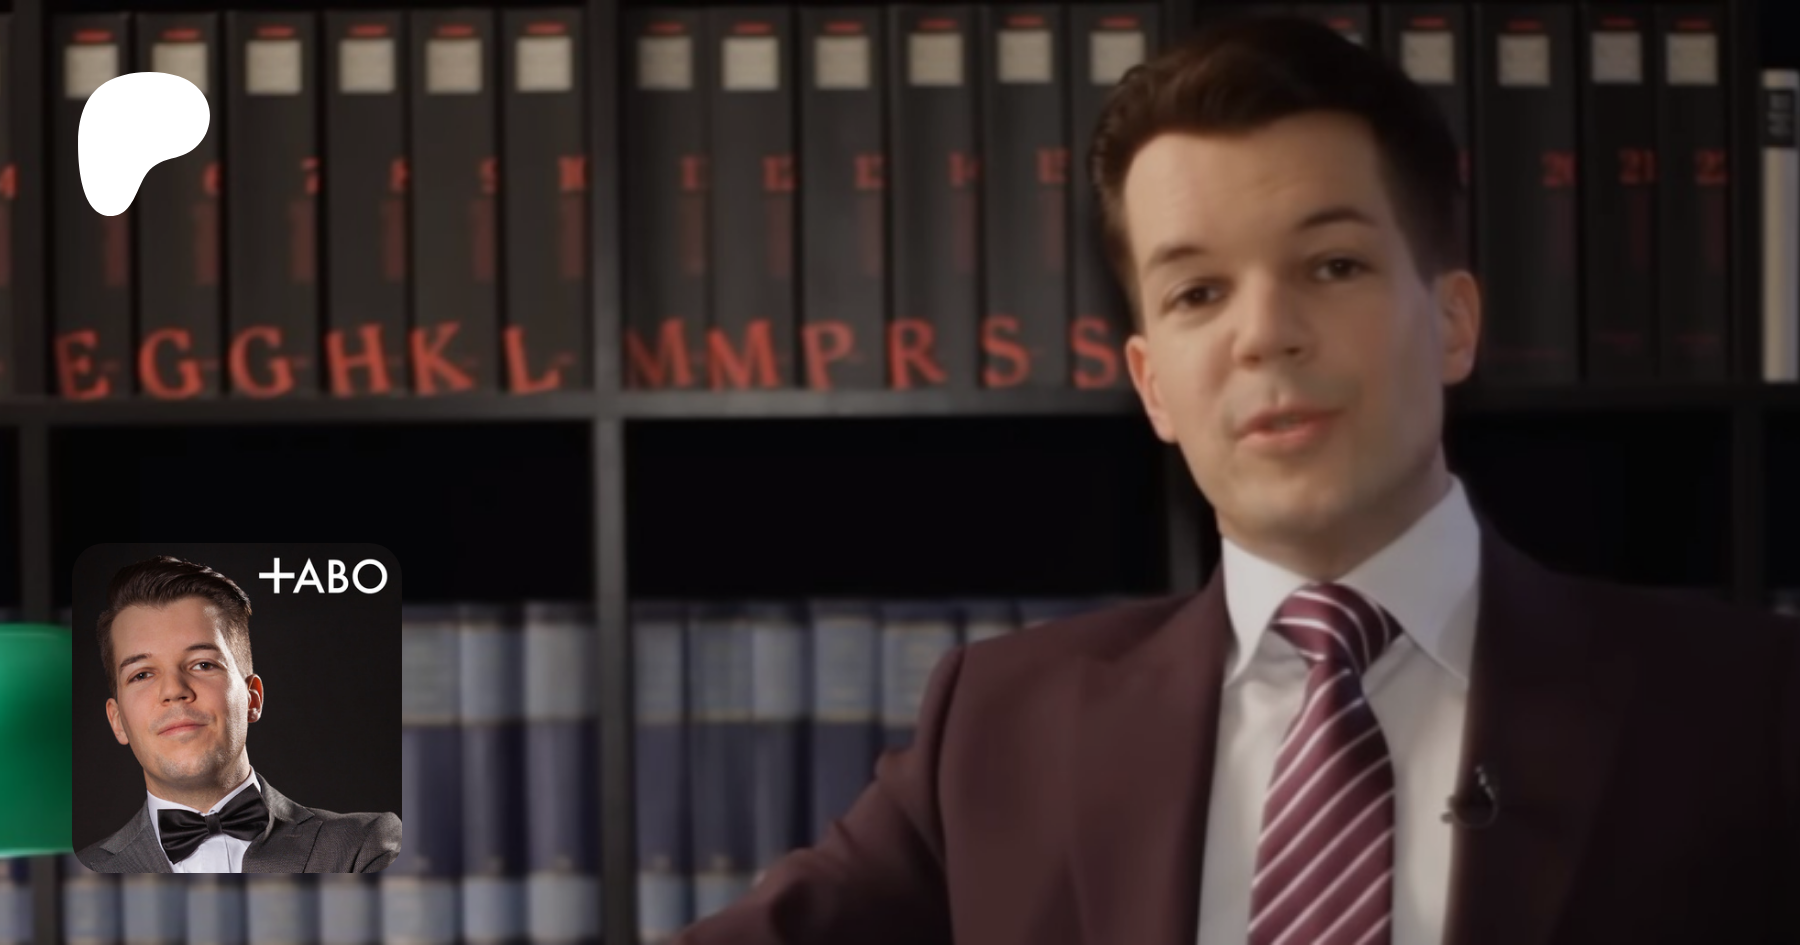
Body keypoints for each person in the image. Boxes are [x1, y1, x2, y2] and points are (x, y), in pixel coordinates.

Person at [674, 14, 1800, 945]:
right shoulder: (999, 728)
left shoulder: (1749, 709)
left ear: (1453, 322)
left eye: (1334, 265)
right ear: (1152, 383)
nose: (1265, 333)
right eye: (1198, 293)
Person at [75, 556, 401, 873]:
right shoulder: (81, 872)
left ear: (252, 698)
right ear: (117, 721)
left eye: (203, 664)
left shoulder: (364, 845)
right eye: (142, 674)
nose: (173, 690)